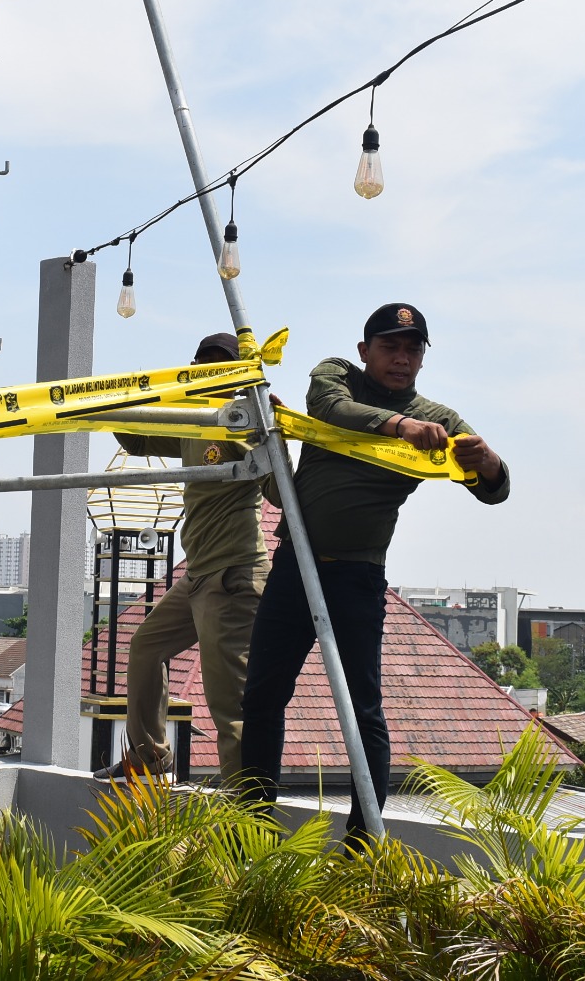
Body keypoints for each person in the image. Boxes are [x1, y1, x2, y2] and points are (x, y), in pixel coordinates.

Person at [239, 303, 509, 840]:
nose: (402, 359)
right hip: (295, 566)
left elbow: (494, 492)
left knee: (363, 710)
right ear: (366, 352)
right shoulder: (336, 374)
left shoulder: (440, 420)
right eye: (390, 347)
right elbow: (331, 408)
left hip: (358, 579)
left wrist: (489, 462)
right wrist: (399, 427)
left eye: (413, 350)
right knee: (263, 697)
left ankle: (363, 845)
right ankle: (251, 828)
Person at [94, 331, 268, 784]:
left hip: (233, 576)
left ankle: (243, 806)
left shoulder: (237, 420)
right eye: (201, 364)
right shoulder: (198, 422)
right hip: (199, 576)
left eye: (219, 365)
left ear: (235, 375)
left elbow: (275, 483)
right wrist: (114, 398)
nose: (208, 372)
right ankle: (149, 759)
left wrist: (264, 424)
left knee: (227, 700)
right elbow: (137, 438)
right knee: (146, 648)